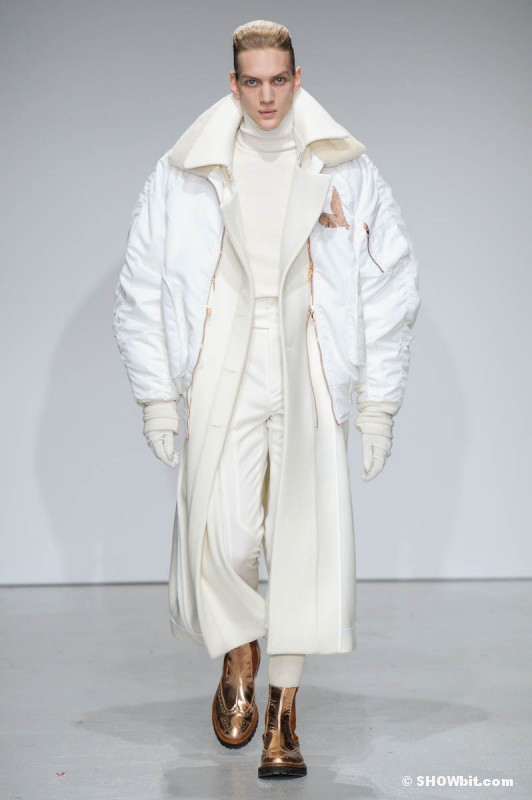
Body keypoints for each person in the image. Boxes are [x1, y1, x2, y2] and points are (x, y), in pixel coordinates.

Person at [113, 19, 421, 780]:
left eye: (278, 79)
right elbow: (143, 284)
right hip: (220, 364)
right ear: (233, 83)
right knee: (220, 538)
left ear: (297, 77)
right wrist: (157, 397)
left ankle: (283, 715)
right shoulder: (185, 172)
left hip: (307, 365)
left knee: (302, 545)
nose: (266, 96)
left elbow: (387, 286)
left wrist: (378, 406)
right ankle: (240, 647)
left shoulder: (346, 169)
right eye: (251, 81)